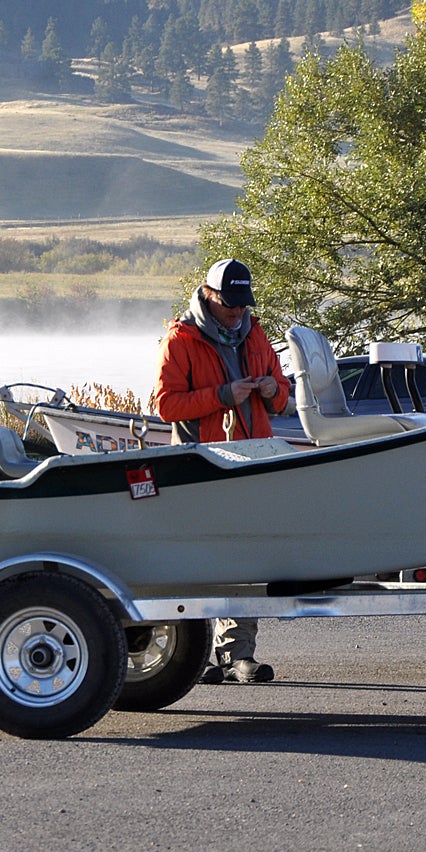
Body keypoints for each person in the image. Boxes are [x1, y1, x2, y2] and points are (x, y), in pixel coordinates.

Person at [151, 258, 293, 685]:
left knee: (248, 559)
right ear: (209, 296)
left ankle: (237, 656)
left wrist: (273, 390)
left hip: (252, 463)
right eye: (230, 304)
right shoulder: (180, 339)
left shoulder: (256, 332)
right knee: (200, 562)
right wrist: (222, 395)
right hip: (201, 470)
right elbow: (165, 406)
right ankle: (194, 658)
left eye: (242, 303)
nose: (237, 312)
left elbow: (283, 396)